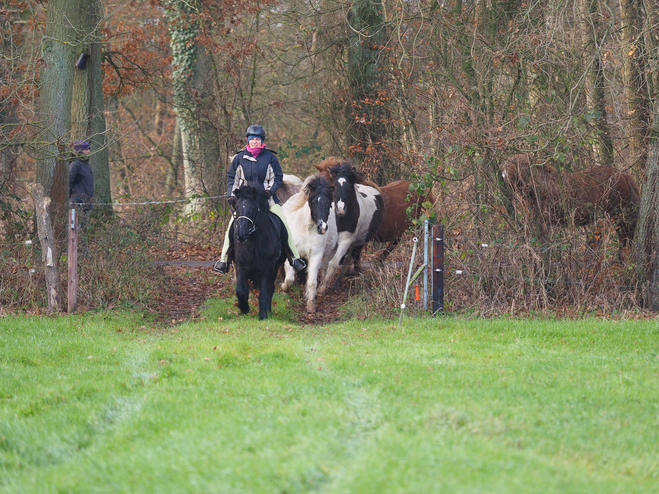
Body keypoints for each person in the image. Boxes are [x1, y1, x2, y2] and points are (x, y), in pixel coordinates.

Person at [214, 125, 306, 274]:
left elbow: (277, 177)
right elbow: (232, 178)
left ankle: (294, 258)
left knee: (284, 224)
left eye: (258, 139)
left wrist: (269, 191)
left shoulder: (270, 158)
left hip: (266, 200)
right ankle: (224, 260)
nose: (255, 142)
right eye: (252, 139)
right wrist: (232, 195)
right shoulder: (239, 158)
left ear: (262, 141)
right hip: (245, 201)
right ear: (247, 140)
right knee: (231, 227)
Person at [69, 140, 94, 235]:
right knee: (75, 230)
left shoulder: (87, 165)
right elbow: (69, 183)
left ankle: (83, 249)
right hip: (77, 204)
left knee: (84, 230)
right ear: (79, 151)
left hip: (87, 203)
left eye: (88, 149)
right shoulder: (75, 165)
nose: (88, 151)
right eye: (85, 149)